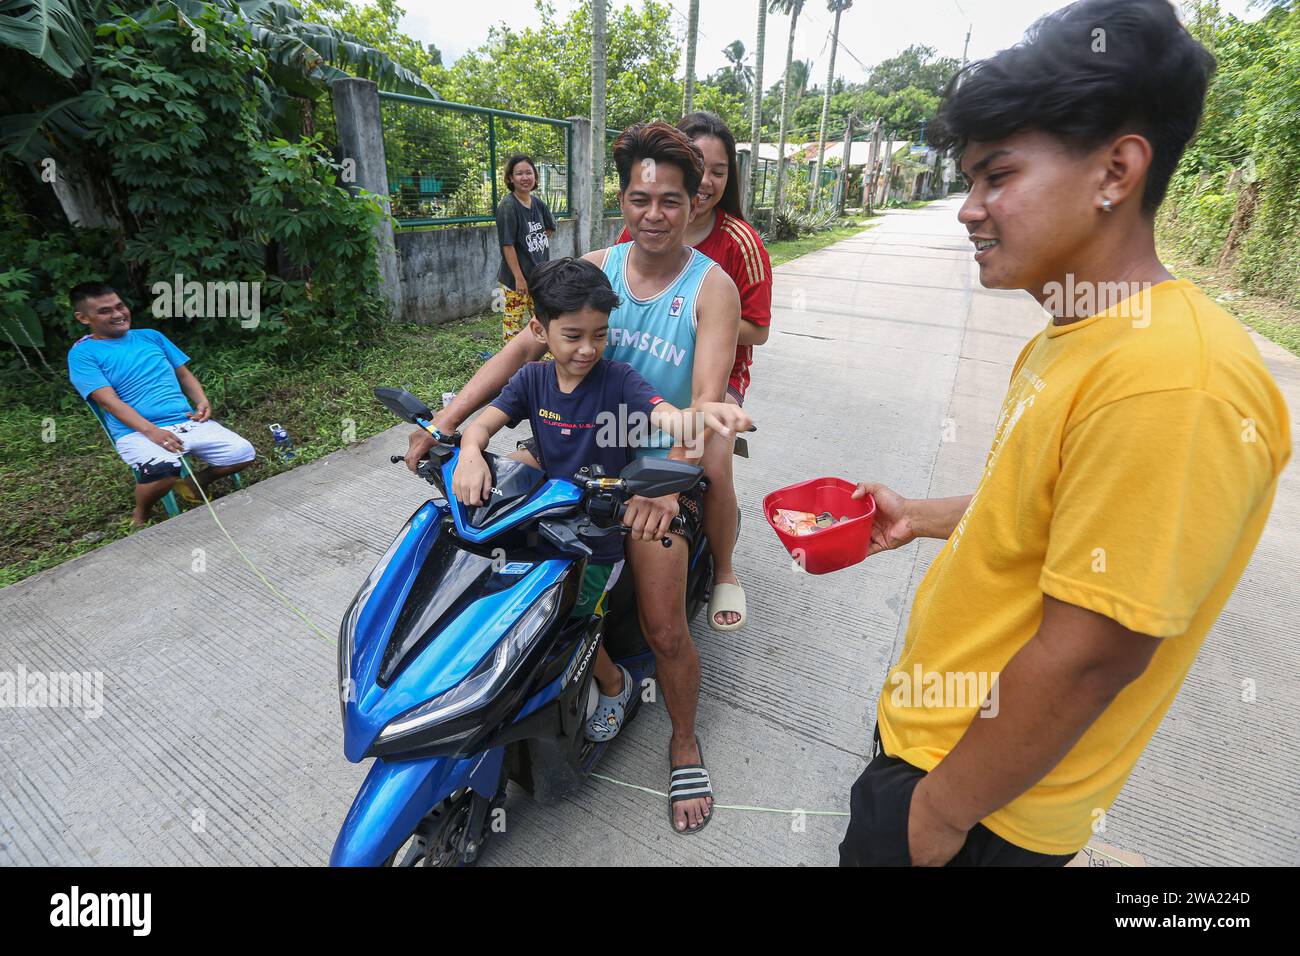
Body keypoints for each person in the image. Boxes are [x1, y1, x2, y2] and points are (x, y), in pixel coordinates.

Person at [839, 0, 1291, 867]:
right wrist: (926, 517)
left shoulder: (1171, 380)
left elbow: (1091, 656)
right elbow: (1062, 515)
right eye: (968, 179)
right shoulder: (1079, 333)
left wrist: (936, 816)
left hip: (982, 811)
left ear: (1116, 170)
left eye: (997, 175)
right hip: (939, 750)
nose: (969, 209)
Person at [408, 122, 741, 834]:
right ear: (622, 198)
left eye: (671, 200)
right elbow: (516, 362)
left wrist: (671, 483)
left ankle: (683, 740)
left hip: (651, 472)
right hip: (572, 458)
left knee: (663, 625)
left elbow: (707, 401)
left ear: (695, 204)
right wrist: (446, 426)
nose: (655, 213)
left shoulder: (712, 288)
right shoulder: (592, 272)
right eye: (641, 197)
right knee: (484, 548)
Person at [451, 257, 751, 743]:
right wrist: (468, 448)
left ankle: (614, 684)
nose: (588, 349)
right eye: (573, 336)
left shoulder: (619, 380)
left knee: (562, 617)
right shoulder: (532, 381)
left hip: (597, 538)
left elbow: (667, 417)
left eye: (600, 334)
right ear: (539, 330)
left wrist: (702, 416)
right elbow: (489, 420)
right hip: (549, 520)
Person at [616, 111, 773, 631]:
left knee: (714, 460)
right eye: (699, 166)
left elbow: (760, 327)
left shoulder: (739, 245)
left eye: (719, 171)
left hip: (721, 374)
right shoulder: (633, 233)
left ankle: (724, 569)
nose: (707, 181)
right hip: (651, 366)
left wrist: (710, 326)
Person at [66, 282, 256, 526]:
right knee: (163, 473)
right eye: (105, 311)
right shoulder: (83, 354)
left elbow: (184, 374)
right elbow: (108, 402)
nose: (118, 314)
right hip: (136, 431)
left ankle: (195, 482)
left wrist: (201, 399)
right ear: (83, 317)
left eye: (120, 306)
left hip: (185, 419)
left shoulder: (151, 337)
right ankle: (141, 514)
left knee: (244, 453)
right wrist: (152, 431)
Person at [495, 154, 557, 343]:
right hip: (515, 281)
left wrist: (534, 243)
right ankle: (512, 366)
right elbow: (508, 245)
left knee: (541, 320)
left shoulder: (538, 203)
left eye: (529, 173)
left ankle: (541, 360)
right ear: (510, 178)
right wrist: (519, 278)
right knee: (513, 326)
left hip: (538, 277)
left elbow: (549, 227)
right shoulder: (507, 206)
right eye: (519, 173)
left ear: (535, 177)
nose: (525, 177)